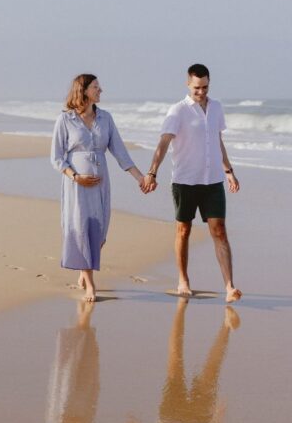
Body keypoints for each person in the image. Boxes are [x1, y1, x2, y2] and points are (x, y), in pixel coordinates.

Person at [142, 64, 242, 303]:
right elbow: (164, 142)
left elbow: (217, 140)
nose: (201, 92)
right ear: (188, 84)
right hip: (185, 181)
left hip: (213, 180)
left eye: (205, 87)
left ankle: (229, 287)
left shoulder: (216, 107)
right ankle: (183, 280)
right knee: (183, 230)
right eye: (197, 87)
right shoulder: (177, 111)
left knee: (219, 231)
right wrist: (152, 172)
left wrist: (228, 171)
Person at [51, 74, 147, 302]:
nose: (100, 90)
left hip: (101, 183)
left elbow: (120, 152)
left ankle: (84, 269)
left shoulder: (106, 118)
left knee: (100, 230)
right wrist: (76, 176)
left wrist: (140, 177)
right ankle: (90, 284)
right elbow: (56, 158)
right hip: (77, 185)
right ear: (83, 91)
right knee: (82, 227)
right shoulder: (65, 120)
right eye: (96, 87)